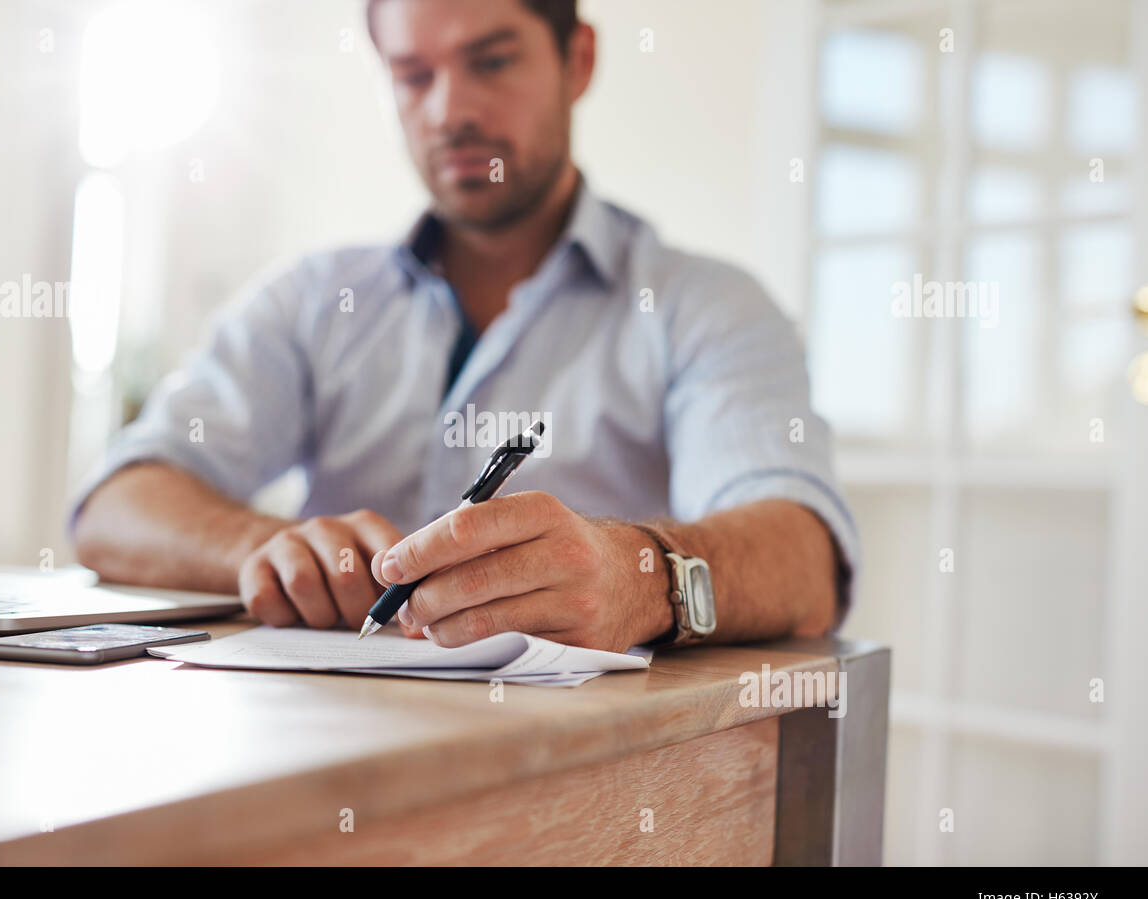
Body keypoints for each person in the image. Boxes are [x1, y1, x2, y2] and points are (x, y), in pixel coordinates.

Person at [70, 0, 859, 654]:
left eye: (492, 61)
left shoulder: (707, 307)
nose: (450, 112)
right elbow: (116, 506)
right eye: (413, 75)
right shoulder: (310, 300)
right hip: (320, 763)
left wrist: (641, 578)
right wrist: (261, 552)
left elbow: (804, 560)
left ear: (577, 62)